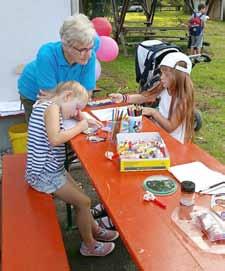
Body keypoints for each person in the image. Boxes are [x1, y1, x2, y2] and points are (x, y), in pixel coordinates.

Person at [25, 81, 119, 256]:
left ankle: (95, 229)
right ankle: (89, 245)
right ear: (67, 96)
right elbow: (55, 139)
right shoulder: (52, 109)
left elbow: (67, 117)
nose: (77, 112)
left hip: (51, 169)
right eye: (77, 107)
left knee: (79, 193)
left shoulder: (50, 104)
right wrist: (80, 127)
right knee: (84, 202)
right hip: (43, 174)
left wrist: (80, 116)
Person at [18, 13, 100, 123]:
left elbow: (86, 93)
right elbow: (51, 101)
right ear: (66, 46)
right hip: (32, 92)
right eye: (82, 50)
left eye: (90, 48)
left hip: (64, 95)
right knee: (43, 130)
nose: (89, 55)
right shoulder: (46, 55)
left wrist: (74, 106)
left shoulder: (90, 55)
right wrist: (67, 99)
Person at [109, 52, 195, 144]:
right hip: (159, 135)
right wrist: (123, 98)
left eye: (166, 75)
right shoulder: (165, 86)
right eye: (162, 73)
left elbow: (170, 128)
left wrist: (153, 112)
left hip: (173, 142)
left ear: (179, 78)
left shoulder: (182, 99)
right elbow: (144, 97)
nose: (161, 77)